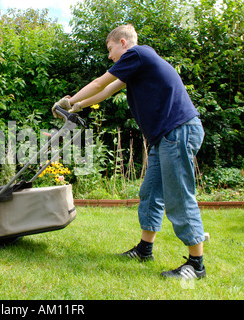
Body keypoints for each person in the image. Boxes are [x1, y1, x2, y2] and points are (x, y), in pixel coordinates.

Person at [53, 24, 206, 279]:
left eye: (110, 50)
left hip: (178, 130)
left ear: (123, 43)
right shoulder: (137, 66)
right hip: (164, 137)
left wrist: (66, 101)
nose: (110, 57)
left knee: (178, 196)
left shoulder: (137, 54)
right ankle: (145, 249)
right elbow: (107, 90)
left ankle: (196, 265)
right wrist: (77, 105)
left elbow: (100, 81)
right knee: (150, 193)